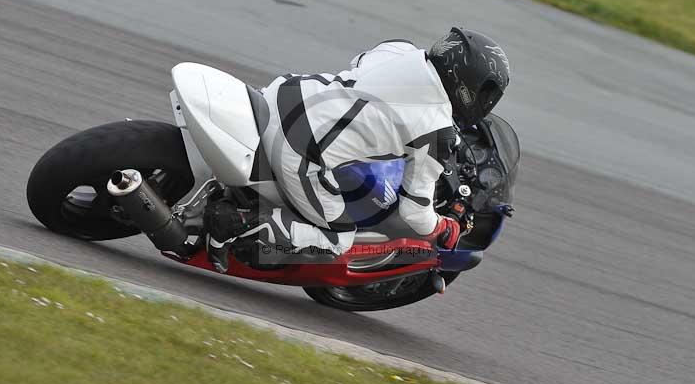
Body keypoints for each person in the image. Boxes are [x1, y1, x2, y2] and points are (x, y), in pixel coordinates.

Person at [209, 27, 510, 263]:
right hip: (300, 148)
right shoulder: (436, 129)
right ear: (466, 82)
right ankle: (237, 223)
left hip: (281, 95)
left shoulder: (401, 50)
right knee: (338, 239)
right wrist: (444, 228)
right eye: (485, 92)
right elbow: (414, 212)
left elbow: (363, 64)